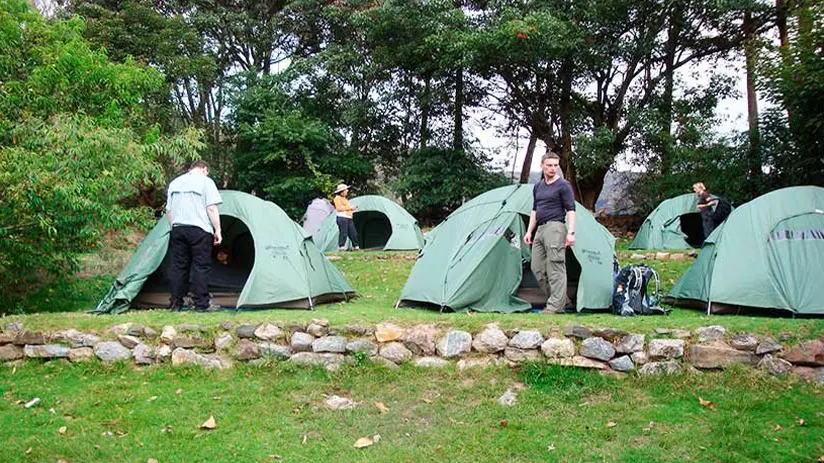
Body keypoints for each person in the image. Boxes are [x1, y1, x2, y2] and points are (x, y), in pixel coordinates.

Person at [166, 160, 223, 312]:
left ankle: (176, 303)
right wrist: (218, 230)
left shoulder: (175, 182)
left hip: (178, 228)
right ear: (204, 168)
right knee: (200, 267)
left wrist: (173, 227)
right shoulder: (206, 181)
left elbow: (169, 212)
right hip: (200, 230)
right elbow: (211, 208)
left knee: (179, 267)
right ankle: (201, 304)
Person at [524, 153, 576, 314]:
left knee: (555, 267)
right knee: (537, 268)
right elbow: (534, 210)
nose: (553, 168)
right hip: (540, 229)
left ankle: (555, 306)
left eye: (555, 165)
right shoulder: (538, 186)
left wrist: (571, 232)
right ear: (542, 166)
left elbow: (571, 210)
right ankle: (563, 301)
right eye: (549, 165)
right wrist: (529, 231)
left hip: (556, 227)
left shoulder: (563, 185)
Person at [333, 183, 359, 251]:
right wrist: (350, 208)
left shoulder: (345, 199)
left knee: (353, 232)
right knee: (343, 232)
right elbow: (339, 208)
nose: (347, 191)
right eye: (345, 190)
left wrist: (351, 208)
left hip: (349, 217)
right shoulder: (337, 198)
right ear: (341, 192)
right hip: (342, 218)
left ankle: (355, 246)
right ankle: (341, 246)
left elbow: (346, 207)